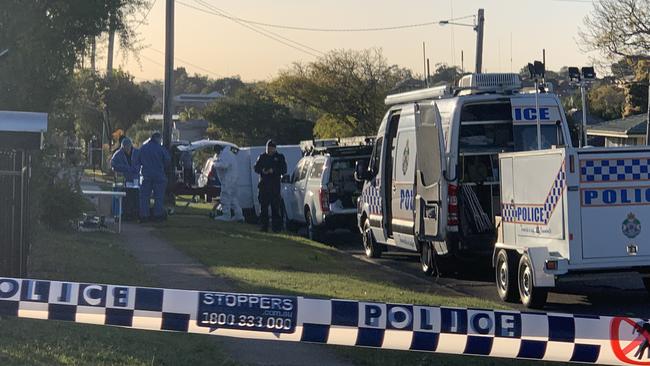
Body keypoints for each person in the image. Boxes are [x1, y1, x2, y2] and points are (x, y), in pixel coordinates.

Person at [135, 132, 171, 222]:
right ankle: (157, 215)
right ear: (158, 139)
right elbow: (167, 160)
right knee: (158, 196)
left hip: (146, 175)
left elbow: (137, 161)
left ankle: (144, 215)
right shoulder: (161, 148)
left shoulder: (143, 148)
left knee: (144, 196)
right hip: (159, 176)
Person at [254, 140, 287, 232]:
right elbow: (256, 168)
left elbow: (284, 169)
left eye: (271, 148)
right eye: (268, 148)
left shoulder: (279, 157)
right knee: (263, 208)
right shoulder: (262, 157)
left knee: (275, 208)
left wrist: (274, 170)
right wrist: (262, 170)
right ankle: (264, 227)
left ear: (274, 148)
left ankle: (276, 228)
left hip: (274, 187)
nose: (269, 150)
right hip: (263, 186)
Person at [110, 137, 140, 220]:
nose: (127, 150)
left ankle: (134, 213)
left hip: (135, 180)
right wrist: (125, 168)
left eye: (128, 147)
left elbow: (140, 163)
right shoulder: (118, 154)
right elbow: (113, 164)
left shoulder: (137, 152)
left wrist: (136, 168)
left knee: (135, 196)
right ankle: (124, 214)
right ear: (122, 147)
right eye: (125, 148)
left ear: (131, 146)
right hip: (123, 180)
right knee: (124, 197)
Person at [213, 145, 243, 222]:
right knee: (233, 198)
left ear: (218, 150)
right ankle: (239, 215)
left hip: (228, 179)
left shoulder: (225, 154)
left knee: (224, 196)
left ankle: (226, 215)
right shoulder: (230, 153)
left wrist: (215, 164)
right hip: (233, 179)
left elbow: (225, 165)